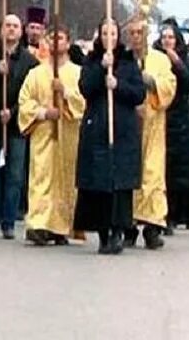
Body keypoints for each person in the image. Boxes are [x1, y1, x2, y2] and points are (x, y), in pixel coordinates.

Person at [74, 18, 145, 255]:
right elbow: (84, 87)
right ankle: (103, 232)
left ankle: (118, 230)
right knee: (98, 183)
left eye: (113, 33)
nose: (109, 38)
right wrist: (101, 70)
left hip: (122, 130)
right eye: (105, 33)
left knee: (119, 184)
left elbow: (139, 94)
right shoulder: (92, 60)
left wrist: (119, 85)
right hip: (98, 129)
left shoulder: (127, 61)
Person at [18, 24, 84, 246]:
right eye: (52, 37)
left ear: (68, 42)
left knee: (66, 178)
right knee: (41, 177)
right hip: (44, 134)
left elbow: (84, 102)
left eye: (61, 37)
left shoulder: (77, 73)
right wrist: (44, 112)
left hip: (68, 134)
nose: (57, 42)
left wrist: (65, 93)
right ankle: (38, 223)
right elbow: (25, 103)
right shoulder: (35, 74)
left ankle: (61, 226)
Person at [0, 14, 39, 239]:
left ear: (21, 31)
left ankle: (8, 220)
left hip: (17, 124)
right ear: (1, 30)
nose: (11, 30)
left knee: (15, 175)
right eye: (7, 26)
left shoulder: (29, 62)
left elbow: (31, 93)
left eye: (15, 26)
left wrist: (12, 111)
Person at [123, 17, 177, 250]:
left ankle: (153, 226)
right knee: (129, 175)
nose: (136, 37)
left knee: (152, 175)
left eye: (140, 32)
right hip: (128, 126)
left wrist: (152, 83)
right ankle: (128, 226)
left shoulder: (160, 59)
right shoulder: (122, 59)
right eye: (132, 32)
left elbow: (170, 85)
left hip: (153, 125)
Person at [154, 20, 189, 232]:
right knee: (160, 169)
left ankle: (179, 213)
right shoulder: (154, 58)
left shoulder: (184, 59)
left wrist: (177, 63)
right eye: (164, 38)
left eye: (171, 37)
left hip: (179, 118)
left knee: (179, 170)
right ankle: (161, 214)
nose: (167, 41)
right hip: (159, 115)